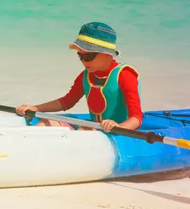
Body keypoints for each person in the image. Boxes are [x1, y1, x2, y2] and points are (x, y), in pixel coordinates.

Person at [15, 22, 143, 132]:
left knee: (83, 131)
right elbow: (67, 102)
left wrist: (119, 127)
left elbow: (136, 117)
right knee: (46, 122)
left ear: (107, 55)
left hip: (119, 131)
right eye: (80, 56)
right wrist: (35, 108)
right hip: (96, 128)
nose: (84, 62)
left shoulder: (125, 75)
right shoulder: (86, 75)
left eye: (88, 57)